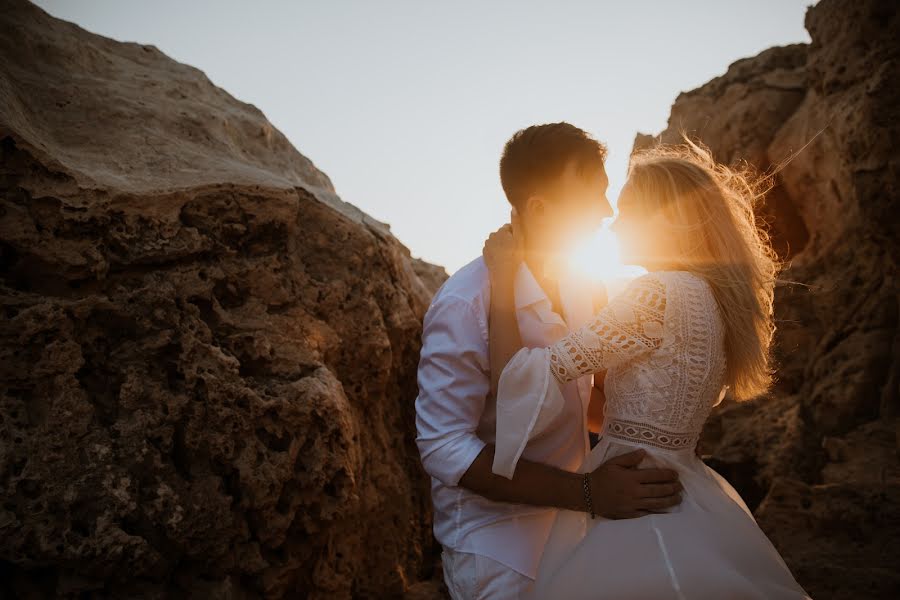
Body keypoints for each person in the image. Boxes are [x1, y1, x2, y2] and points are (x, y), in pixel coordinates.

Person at [483, 139, 812, 599]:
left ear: (665, 219)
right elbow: (634, 405)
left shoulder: (656, 294)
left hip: (636, 500)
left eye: (626, 210)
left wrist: (503, 280)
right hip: (685, 490)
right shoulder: (710, 298)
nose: (613, 225)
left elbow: (521, 379)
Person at [414, 122, 687, 600]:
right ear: (541, 209)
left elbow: (590, 401)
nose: (606, 210)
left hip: (580, 532)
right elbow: (443, 446)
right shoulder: (464, 302)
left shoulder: (587, 285)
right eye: (593, 196)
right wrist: (586, 492)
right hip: (497, 549)